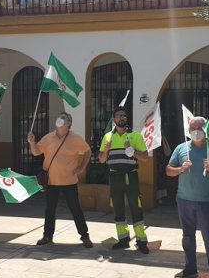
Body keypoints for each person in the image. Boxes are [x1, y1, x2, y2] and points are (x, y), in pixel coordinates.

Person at [166, 116, 209, 278]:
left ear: (205, 130)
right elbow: (168, 170)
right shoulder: (181, 148)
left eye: (198, 128)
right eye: (191, 129)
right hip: (184, 200)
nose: (195, 132)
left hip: (206, 202)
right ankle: (190, 268)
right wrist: (180, 169)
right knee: (187, 236)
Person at [27, 112, 93, 248]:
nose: (60, 119)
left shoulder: (75, 138)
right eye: (59, 116)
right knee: (49, 210)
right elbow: (35, 152)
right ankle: (47, 236)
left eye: (63, 118)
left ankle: (85, 236)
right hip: (51, 181)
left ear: (68, 124)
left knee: (76, 209)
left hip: (69, 181)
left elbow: (88, 151)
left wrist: (81, 167)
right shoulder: (48, 137)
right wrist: (32, 142)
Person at [98, 107, 150, 254]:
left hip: (131, 176)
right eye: (119, 116)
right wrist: (106, 149)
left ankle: (141, 241)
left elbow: (145, 157)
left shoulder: (135, 136)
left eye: (124, 116)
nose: (122, 118)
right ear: (114, 119)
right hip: (115, 177)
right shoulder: (108, 137)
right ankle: (123, 239)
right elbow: (101, 160)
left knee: (136, 207)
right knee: (118, 208)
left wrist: (133, 151)